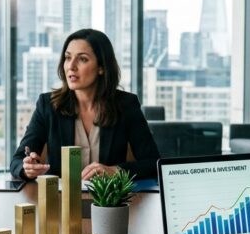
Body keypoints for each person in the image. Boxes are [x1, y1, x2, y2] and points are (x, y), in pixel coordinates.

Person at [10, 29, 160, 181]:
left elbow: (153, 163)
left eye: (82, 59)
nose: (71, 66)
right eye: (68, 58)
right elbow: (17, 161)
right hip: (60, 201)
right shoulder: (48, 105)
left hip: (108, 201)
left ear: (101, 67)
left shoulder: (126, 105)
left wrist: (115, 171)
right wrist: (26, 168)